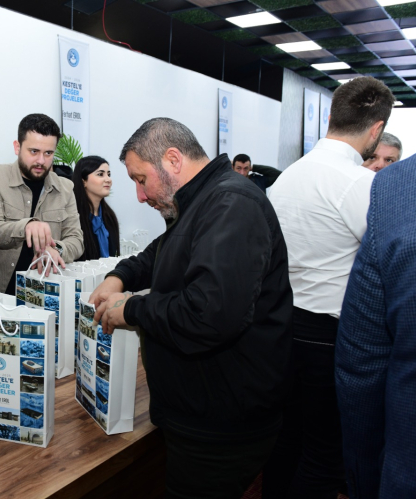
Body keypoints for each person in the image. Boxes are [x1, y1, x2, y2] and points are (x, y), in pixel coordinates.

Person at [89, 118, 292, 497]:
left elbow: (209, 314)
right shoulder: (204, 199)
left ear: (172, 159)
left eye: (141, 179)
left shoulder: (232, 204)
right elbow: (166, 249)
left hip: (221, 424)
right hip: (203, 412)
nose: (139, 196)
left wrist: (132, 309)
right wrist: (121, 275)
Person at [263, 76, 395, 498]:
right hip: (329, 337)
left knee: (286, 440)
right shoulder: (359, 183)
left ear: (332, 116)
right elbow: (389, 261)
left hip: (281, 326)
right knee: (325, 456)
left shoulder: (288, 176)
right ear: (376, 129)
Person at [336, 145, 416, 499]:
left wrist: (363, 475)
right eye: (375, 158)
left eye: (389, 160)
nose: (380, 166)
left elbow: (363, 365)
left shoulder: (404, 188)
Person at [0, 113, 83, 294]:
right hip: (0, 293)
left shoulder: (65, 188)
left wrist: (56, 249)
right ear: (17, 147)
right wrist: (26, 227)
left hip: (45, 292)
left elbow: (76, 239)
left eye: (48, 153)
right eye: (34, 151)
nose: (41, 160)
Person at [71, 155, 120, 260]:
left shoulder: (109, 216)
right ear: (84, 181)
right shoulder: (73, 217)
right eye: (100, 174)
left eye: (109, 174)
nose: (108, 179)